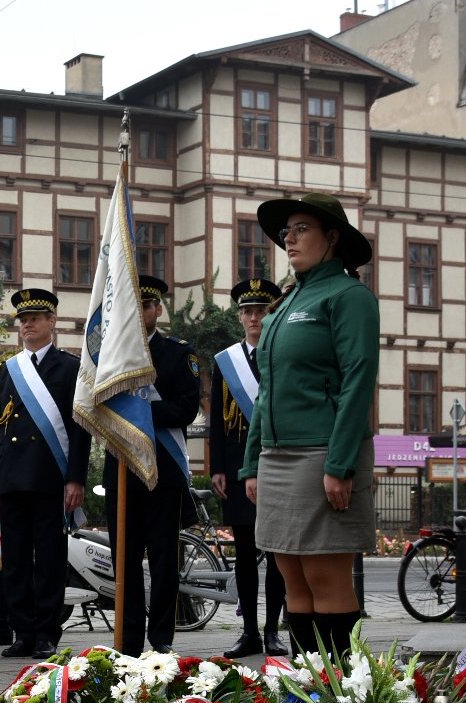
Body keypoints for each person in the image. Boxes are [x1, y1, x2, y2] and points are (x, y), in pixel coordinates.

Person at [241, 193, 379, 661]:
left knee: (325, 578)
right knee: (291, 578)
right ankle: (304, 690)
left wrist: (340, 464)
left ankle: (343, 691)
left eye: (301, 229)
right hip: (277, 458)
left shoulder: (348, 296)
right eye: (286, 232)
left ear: (333, 237)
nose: (289, 239)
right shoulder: (284, 305)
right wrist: (251, 463)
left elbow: (359, 381)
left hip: (321, 454)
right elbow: (267, 390)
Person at [0, 289, 91, 658]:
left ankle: (46, 632)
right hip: (11, 478)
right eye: (23, 320)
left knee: (48, 560)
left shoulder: (70, 368)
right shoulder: (6, 371)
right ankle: (22, 632)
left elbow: (79, 429)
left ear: (52, 321)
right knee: (13, 561)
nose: (27, 324)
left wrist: (75, 477)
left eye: (35, 318)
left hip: (50, 478)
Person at [104, 276, 204, 655]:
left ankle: (161, 639)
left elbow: (186, 408)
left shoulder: (178, 354)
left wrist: (140, 411)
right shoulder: (112, 354)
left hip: (164, 471)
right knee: (124, 561)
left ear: (157, 310)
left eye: (146, 305)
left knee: (164, 561)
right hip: (121, 470)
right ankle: (127, 641)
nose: (141, 312)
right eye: (134, 305)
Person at [210, 279, 289, 657]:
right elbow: (216, 423)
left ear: (270, 313)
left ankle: (272, 630)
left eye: (260, 310)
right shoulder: (225, 362)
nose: (254, 317)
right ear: (239, 316)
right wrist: (217, 468)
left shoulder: (281, 353)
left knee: (276, 552)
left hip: (274, 464)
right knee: (243, 552)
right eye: (247, 311)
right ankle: (248, 632)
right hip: (238, 465)